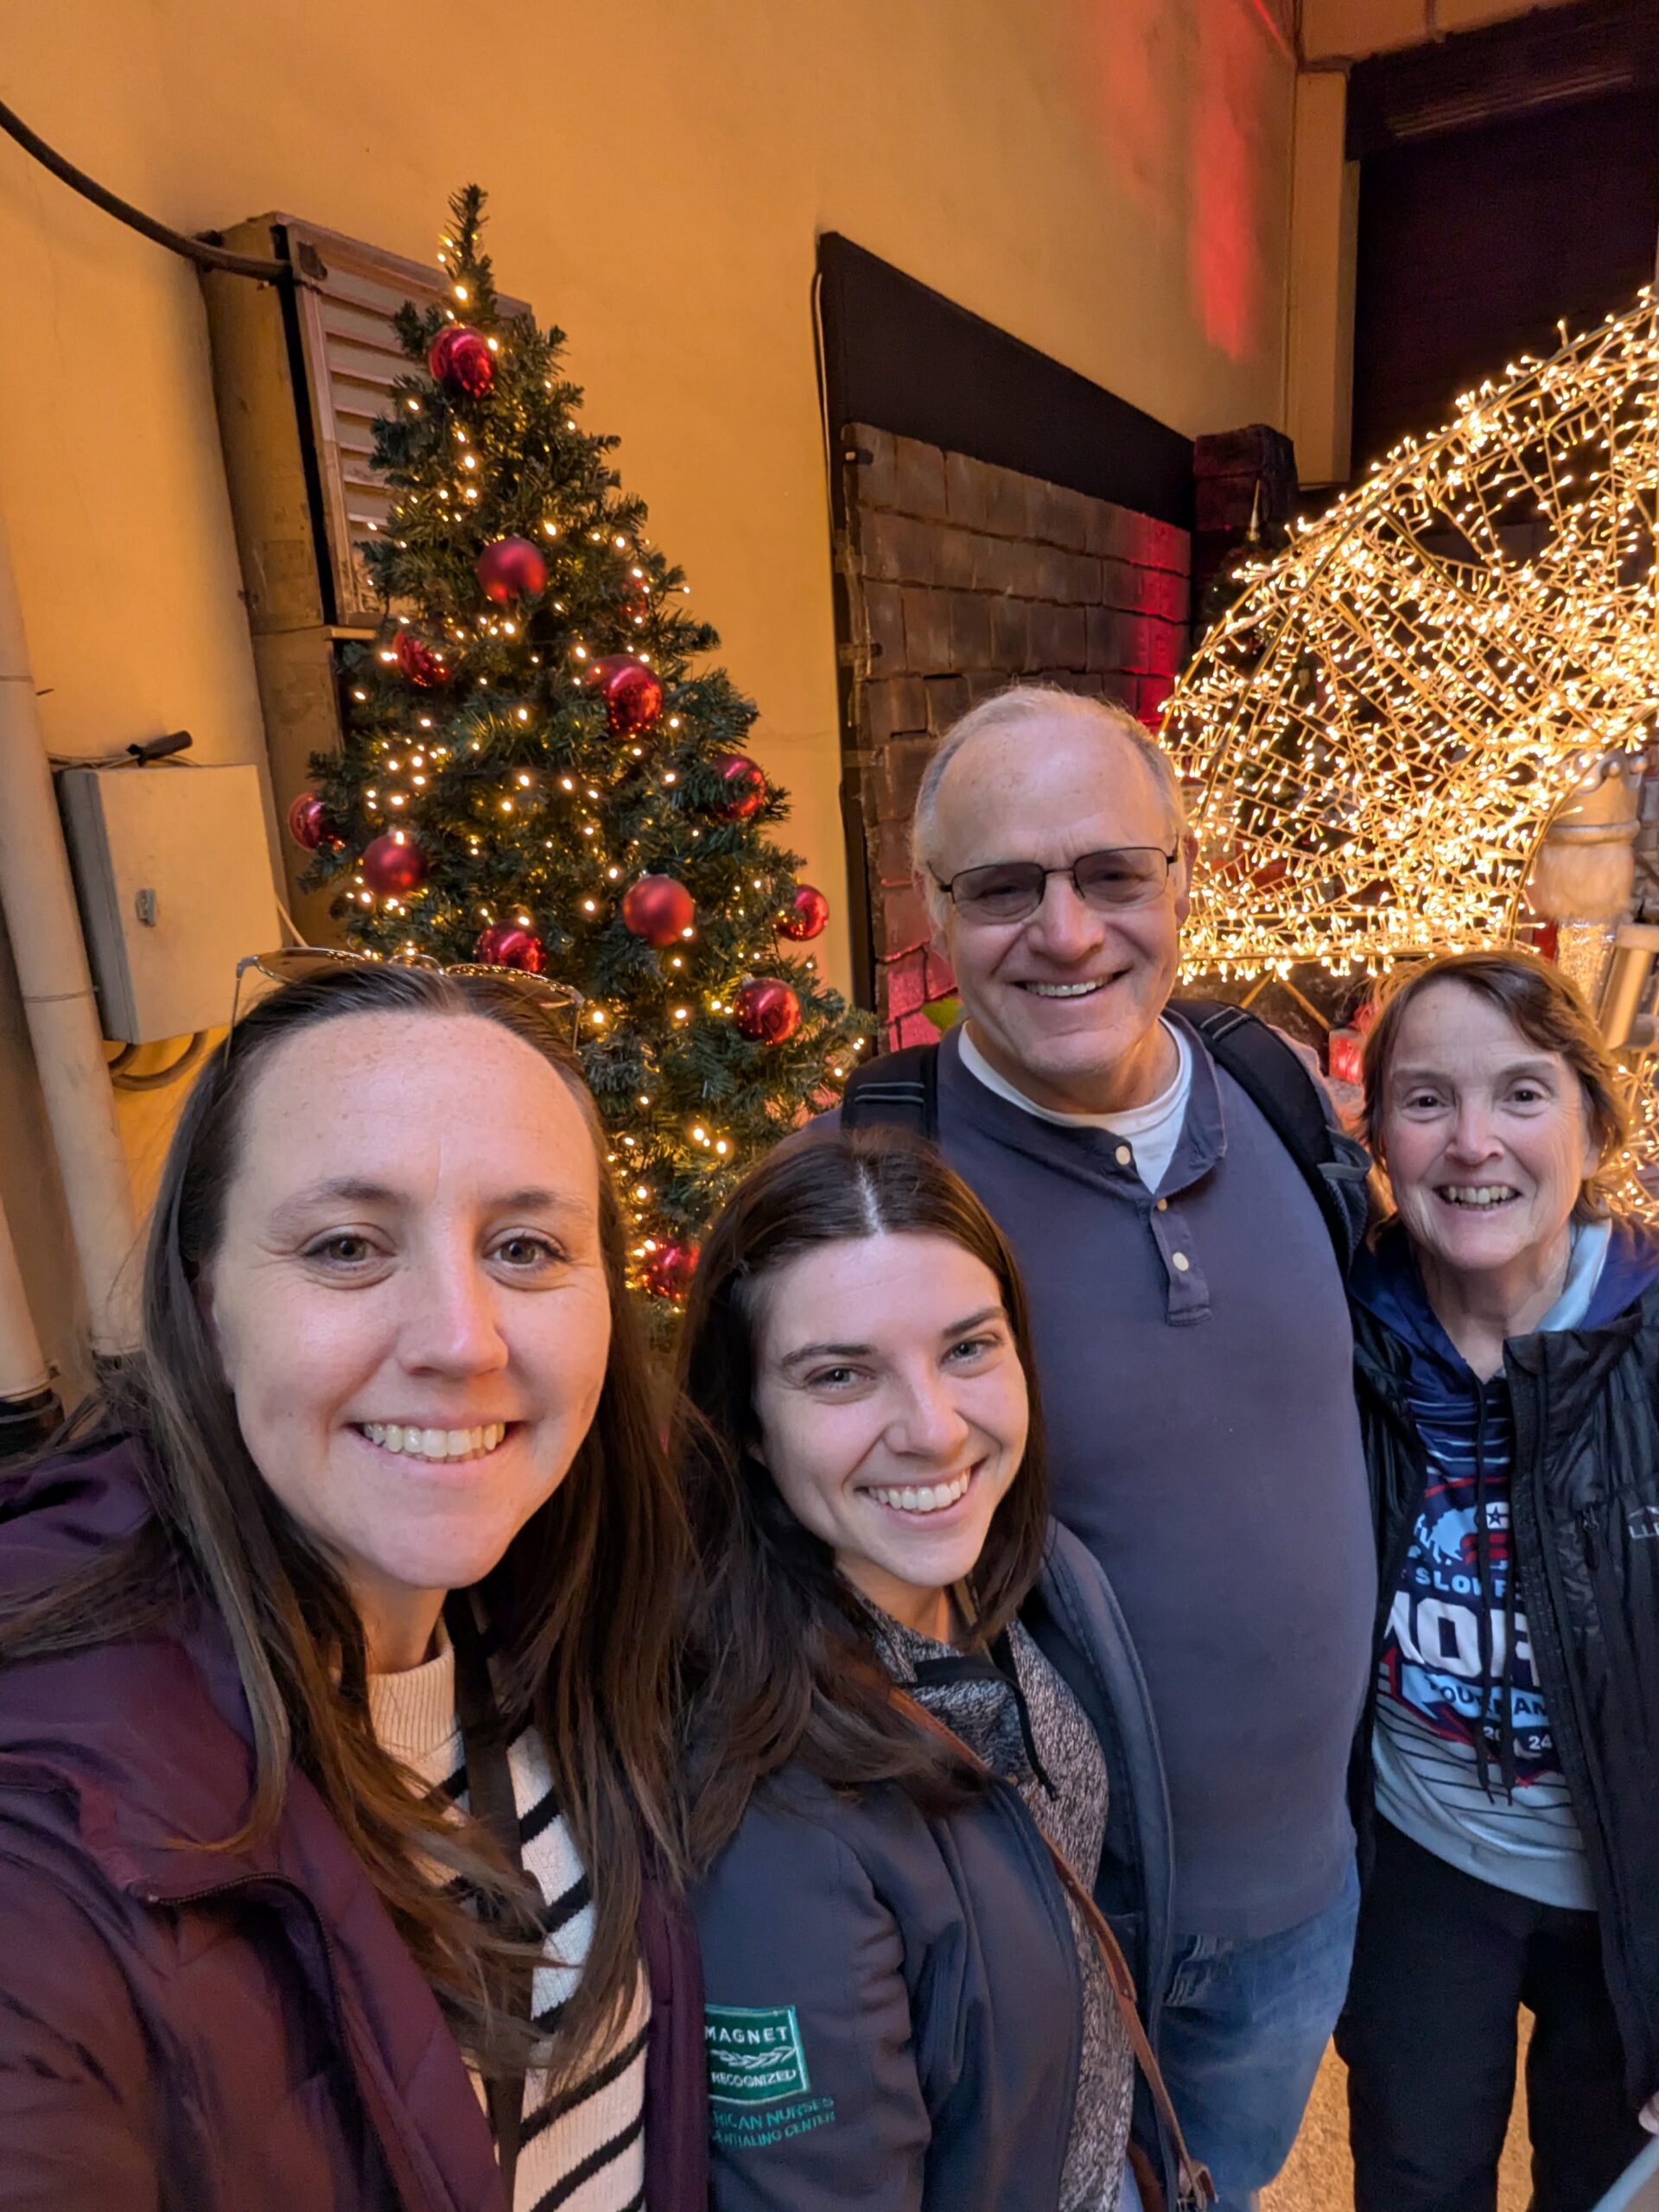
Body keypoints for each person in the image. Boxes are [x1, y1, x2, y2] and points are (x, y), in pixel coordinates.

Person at [0, 954, 705, 2211]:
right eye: (346, 1246)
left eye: (529, 1246)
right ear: (207, 1303)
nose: (460, 1338)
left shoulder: (573, 1620)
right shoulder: (55, 1810)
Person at [836, 683, 1376, 2209]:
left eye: (1110, 874)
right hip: (1053, 1954)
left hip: (1306, 1903)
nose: (1065, 932)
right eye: (1003, 887)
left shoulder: (1277, 1102)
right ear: (934, 918)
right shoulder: (879, 1193)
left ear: (1185, 878)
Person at [677, 1130, 1209, 2212]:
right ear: (749, 1430)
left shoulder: (1028, 1583)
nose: (933, 1429)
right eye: (839, 1374)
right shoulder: (777, 1829)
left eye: (968, 1349)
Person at [1337, 948, 1659, 2210]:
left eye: (1522, 1094)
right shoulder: (1339, 1326)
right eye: (1427, 1101)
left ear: (1593, 1116)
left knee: (1603, 2181)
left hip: (1631, 1881)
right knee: (1415, 2174)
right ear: (1380, 1133)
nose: (1474, 1144)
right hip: (1427, 1858)